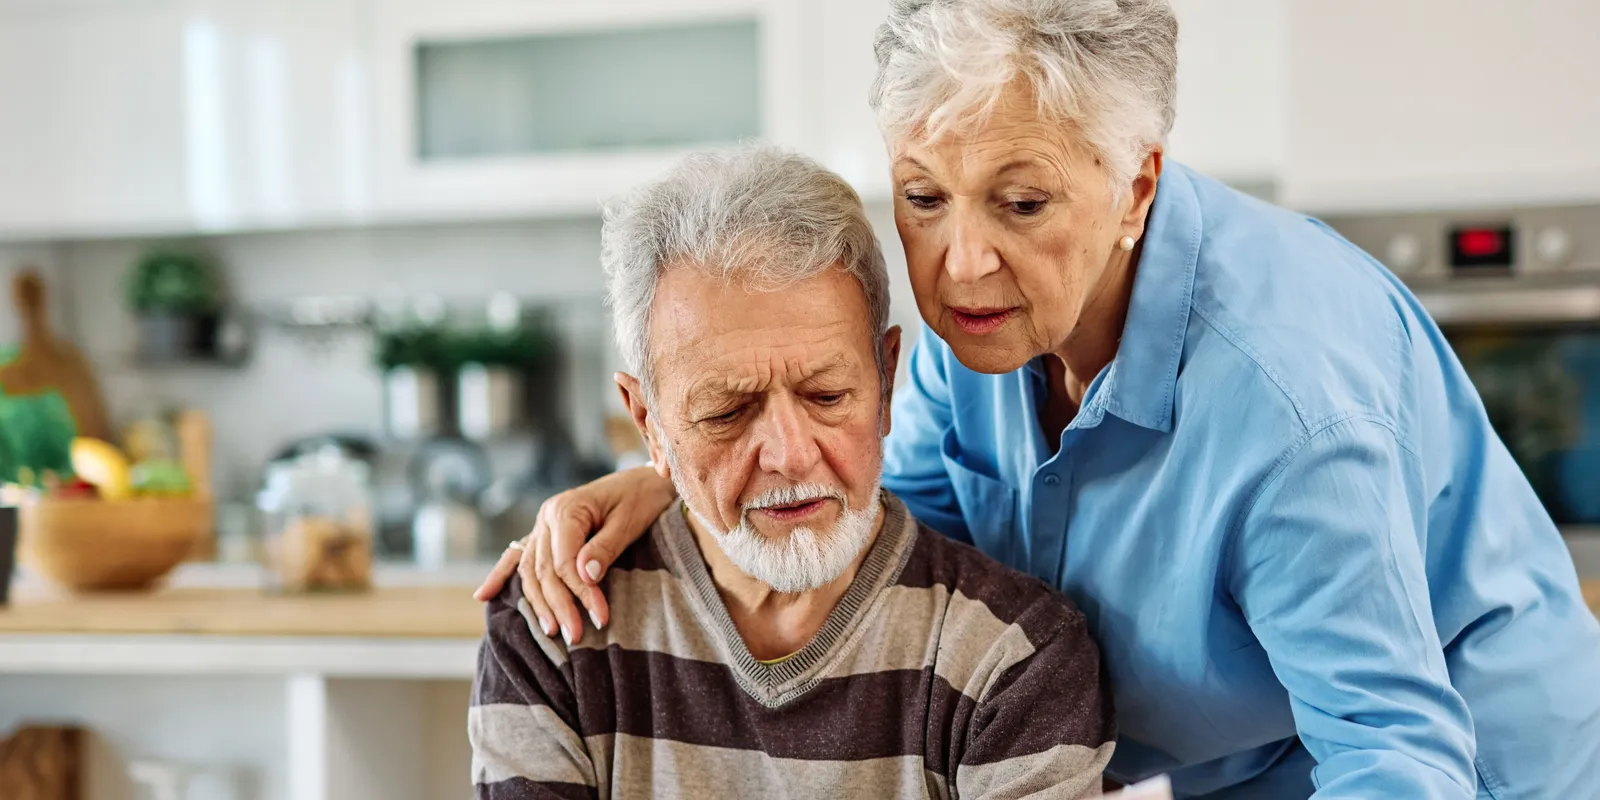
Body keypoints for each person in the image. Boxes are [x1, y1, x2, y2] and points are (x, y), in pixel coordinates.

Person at [476, 1, 1600, 797]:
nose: (960, 260)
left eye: (1019, 201)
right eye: (922, 195)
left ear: (1136, 184)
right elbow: (885, 533)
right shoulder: (975, 332)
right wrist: (680, 472)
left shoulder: (1288, 404)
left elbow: (1394, 749)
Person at [470, 147, 1116, 799]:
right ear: (648, 421)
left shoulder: (1014, 657)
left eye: (827, 396)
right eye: (726, 412)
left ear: (886, 383)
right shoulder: (553, 627)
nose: (789, 453)